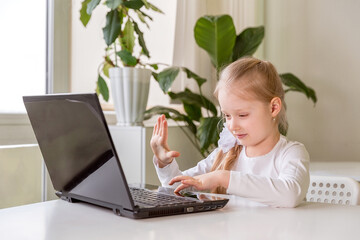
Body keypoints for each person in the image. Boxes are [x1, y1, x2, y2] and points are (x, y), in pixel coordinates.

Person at [150, 57, 310, 208]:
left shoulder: (291, 153)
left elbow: (290, 195)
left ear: (273, 107)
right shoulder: (226, 153)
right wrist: (165, 164)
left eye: (242, 115)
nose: (232, 125)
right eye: (227, 115)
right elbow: (179, 188)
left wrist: (222, 177)